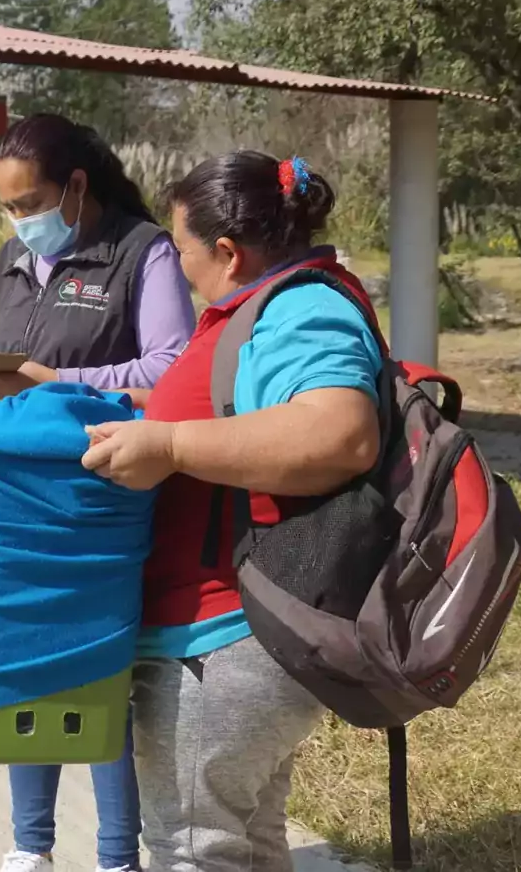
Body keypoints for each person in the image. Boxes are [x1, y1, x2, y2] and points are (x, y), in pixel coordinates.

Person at [82, 153, 382, 872]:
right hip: (233, 632)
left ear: (226, 251)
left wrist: (173, 443)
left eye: (181, 250)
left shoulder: (301, 306)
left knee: (195, 847)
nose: (178, 268)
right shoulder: (261, 306)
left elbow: (342, 431)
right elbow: (225, 408)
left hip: (225, 634)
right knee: (249, 843)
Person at [0, 115, 196, 872]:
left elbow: (173, 369)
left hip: (105, 497)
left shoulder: (140, 252)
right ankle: (29, 845)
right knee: (26, 657)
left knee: (99, 673)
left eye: (29, 201)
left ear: (75, 185)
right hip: (17, 496)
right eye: (6, 207)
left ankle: (114, 855)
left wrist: (58, 382)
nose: (19, 220)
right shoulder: (8, 261)